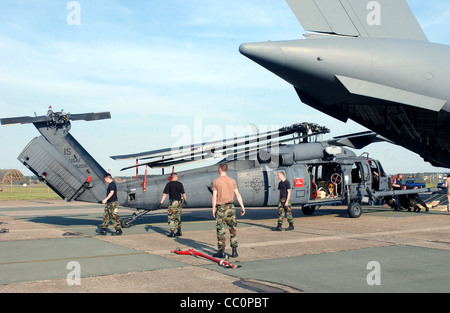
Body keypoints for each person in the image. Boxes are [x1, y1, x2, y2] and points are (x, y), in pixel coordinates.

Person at [212, 163, 245, 258]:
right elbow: (238, 194)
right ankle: (234, 251)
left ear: (220, 169)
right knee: (233, 229)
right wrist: (242, 206)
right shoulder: (232, 181)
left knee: (220, 230)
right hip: (231, 207)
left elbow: (214, 196)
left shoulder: (216, 181)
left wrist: (213, 208)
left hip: (221, 208)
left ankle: (221, 251)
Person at [159, 173, 187, 237]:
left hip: (172, 202)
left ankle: (172, 232)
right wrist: (185, 200)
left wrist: (161, 202)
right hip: (179, 203)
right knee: (178, 217)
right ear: (175, 177)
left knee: (171, 217)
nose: (178, 177)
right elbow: (183, 194)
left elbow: (165, 194)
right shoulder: (180, 184)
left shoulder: (169, 184)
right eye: (177, 176)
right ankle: (179, 231)